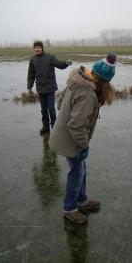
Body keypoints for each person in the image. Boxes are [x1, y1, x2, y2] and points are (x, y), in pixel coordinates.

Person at [49, 53, 116, 224]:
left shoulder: (77, 80)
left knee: (81, 169)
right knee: (76, 173)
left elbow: (59, 101)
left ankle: (82, 201)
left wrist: (66, 108)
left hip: (66, 135)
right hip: (71, 140)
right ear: (102, 80)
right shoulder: (88, 93)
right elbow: (76, 125)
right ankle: (70, 208)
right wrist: (84, 146)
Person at [27, 41, 72, 135]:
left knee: (51, 108)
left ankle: (54, 127)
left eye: (38, 47)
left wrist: (66, 63)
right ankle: (45, 127)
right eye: (35, 47)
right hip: (40, 88)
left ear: (42, 48)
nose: (37, 49)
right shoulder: (33, 60)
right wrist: (30, 88)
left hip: (50, 88)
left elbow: (59, 64)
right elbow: (31, 75)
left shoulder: (50, 57)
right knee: (43, 109)